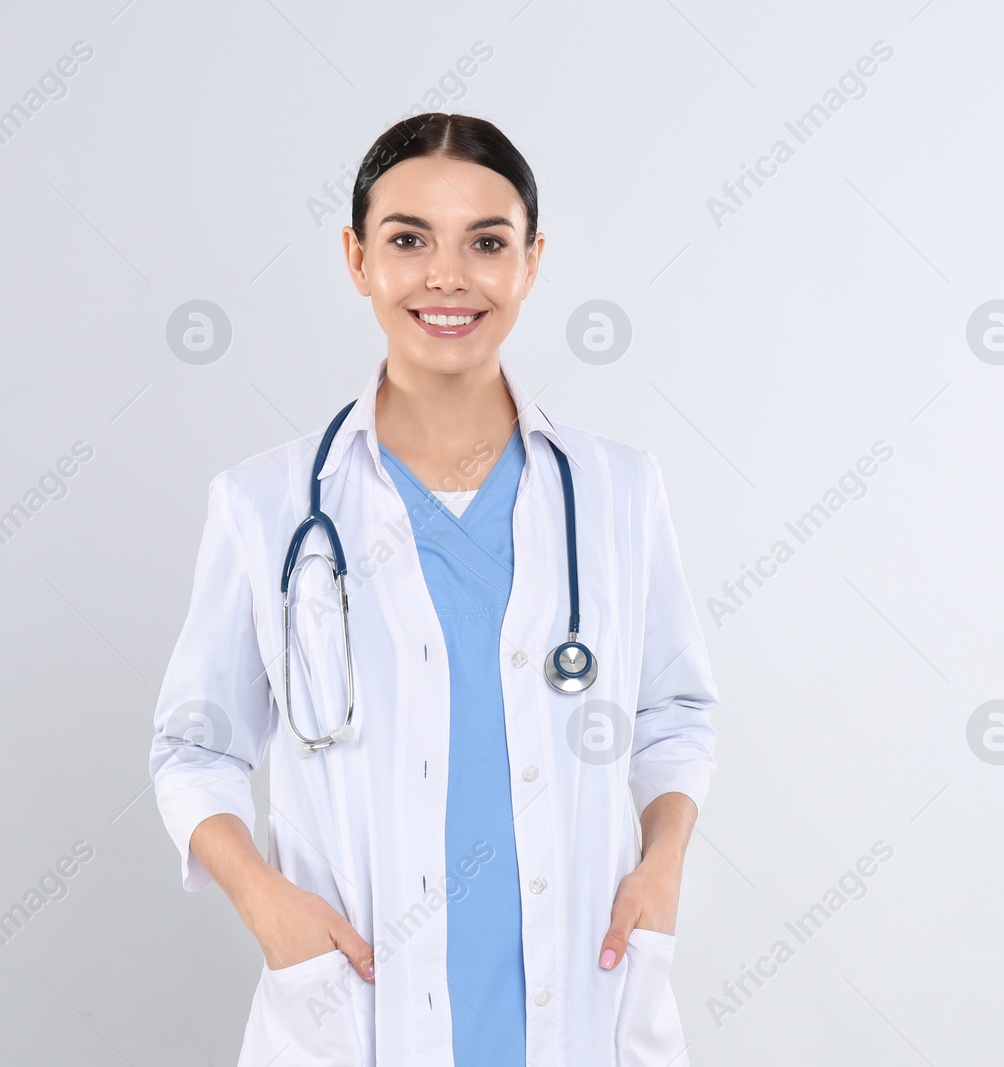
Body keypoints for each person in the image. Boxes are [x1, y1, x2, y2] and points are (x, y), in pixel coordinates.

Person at [147, 112, 718, 1066]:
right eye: (408, 239)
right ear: (357, 258)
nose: (447, 276)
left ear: (531, 261)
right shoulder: (268, 505)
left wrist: (662, 865)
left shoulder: (617, 489)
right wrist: (266, 903)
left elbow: (676, 712)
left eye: (486, 243)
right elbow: (193, 746)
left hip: (583, 1000)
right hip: (355, 1007)